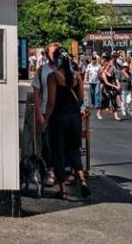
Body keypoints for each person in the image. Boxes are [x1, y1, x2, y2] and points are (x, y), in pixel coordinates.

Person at [42, 48, 91, 200]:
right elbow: (81, 98)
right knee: (74, 150)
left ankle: (62, 190)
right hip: (74, 118)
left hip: (59, 118)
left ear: (57, 60)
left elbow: (51, 102)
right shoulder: (77, 76)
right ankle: (82, 181)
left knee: (58, 153)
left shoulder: (53, 76)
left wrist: (46, 120)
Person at [31, 42, 59, 188]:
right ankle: (50, 170)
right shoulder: (42, 70)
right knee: (47, 142)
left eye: (56, 52)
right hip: (45, 110)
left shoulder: (66, 69)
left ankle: (62, 170)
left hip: (62, 111)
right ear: (46, 54)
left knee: (62, 143)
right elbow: (36, 92)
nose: (53, 55)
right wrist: (37, 112)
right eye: (51, 53)